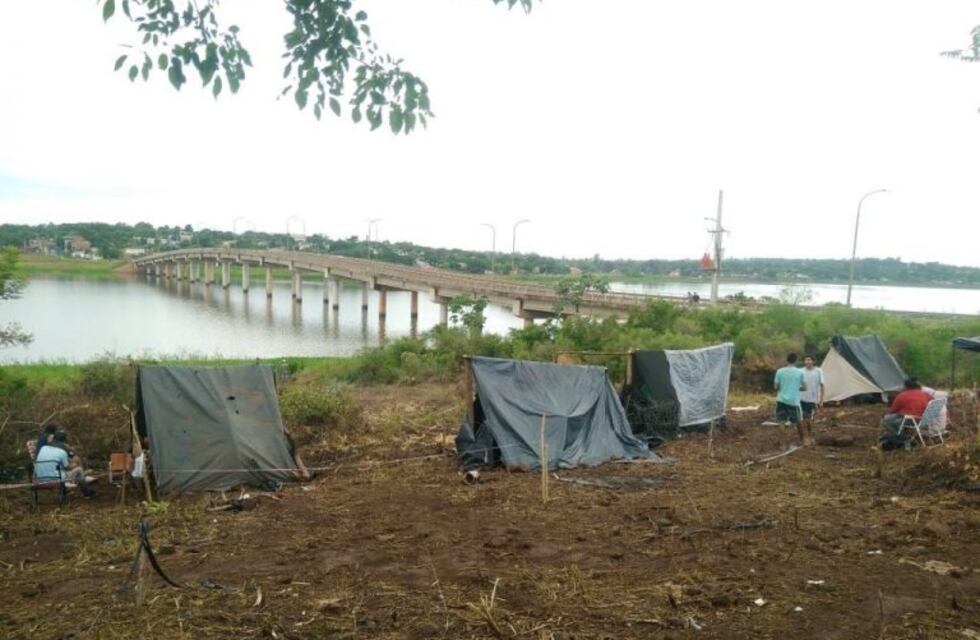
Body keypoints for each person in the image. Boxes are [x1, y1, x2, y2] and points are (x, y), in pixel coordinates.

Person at [34, 431, 95, 497]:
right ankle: (87, 492)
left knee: (59, 469)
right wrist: (75, 464)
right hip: (56, 480)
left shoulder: (43, 448)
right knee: (79, 470)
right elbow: (67, 467)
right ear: (64, 441)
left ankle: (64, 493)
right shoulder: (62, 451)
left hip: (40, 479)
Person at [774, 353, 807, 439]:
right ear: (796, 361)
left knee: (781, 422)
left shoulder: (779, 371)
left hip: (781, 400)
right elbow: (805, 387)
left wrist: (783, 388)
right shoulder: (800, 372)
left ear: (787, 360)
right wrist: (796, 388)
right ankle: (802, 439)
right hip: (794, 401)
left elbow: (776, 387)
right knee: (798, 421)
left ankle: (782, 443)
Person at [799, 355, 824, 446]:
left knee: (809, 419)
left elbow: (822, 385)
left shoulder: (818, 371)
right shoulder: (800, 371)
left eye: (809, 360)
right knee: (801, 419)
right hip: (801, 398)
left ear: (813, 361)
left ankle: (811, 436)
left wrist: (821, 400)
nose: (807, 362)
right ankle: (804, 438)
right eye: (806, 360)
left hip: (812, 399)